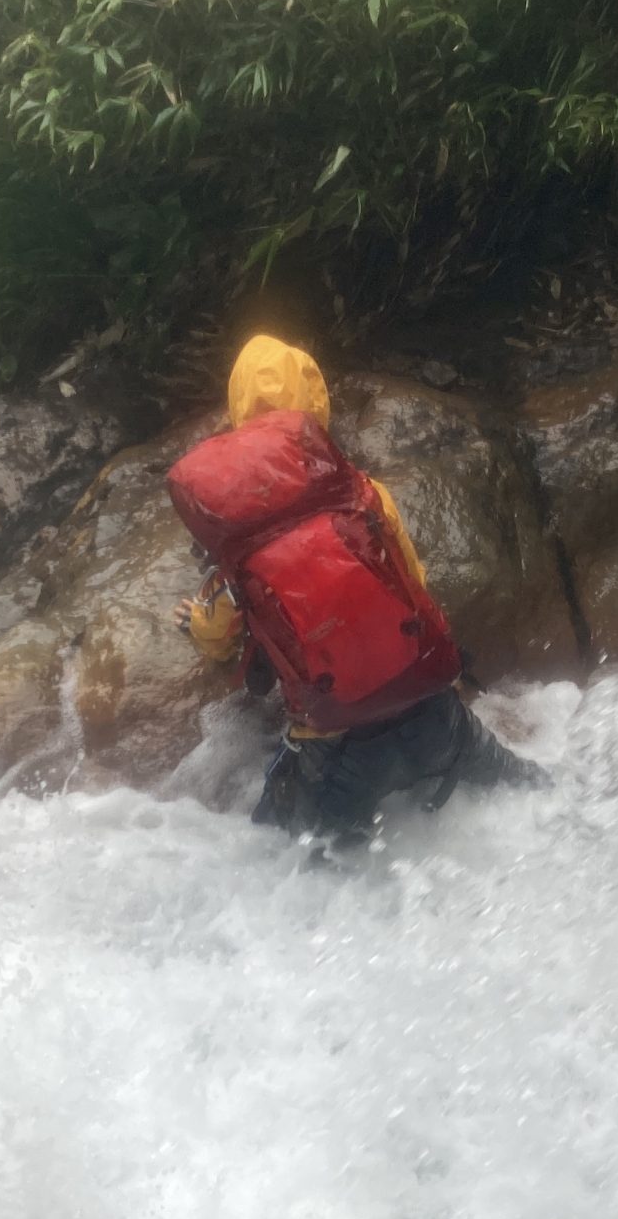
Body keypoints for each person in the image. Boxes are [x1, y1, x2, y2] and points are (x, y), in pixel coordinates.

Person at [170, 335, 547, 843]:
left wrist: (197, 622)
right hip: (437, 717)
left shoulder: (237, 535)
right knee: (540, 795)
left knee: (276, 865)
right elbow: (413, 584)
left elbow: (219, 636)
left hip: (337, 753)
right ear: (316, 402)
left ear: (239, 409)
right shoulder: (364, 496)